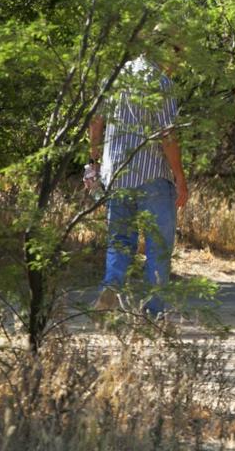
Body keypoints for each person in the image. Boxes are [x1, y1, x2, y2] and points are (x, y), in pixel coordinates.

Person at [87, 53, 188, 318]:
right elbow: (167, 134)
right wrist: (179, 175)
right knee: (158, 244)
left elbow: (96, 122)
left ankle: (111, 285)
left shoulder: (114, 76)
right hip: (153, 175)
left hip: (116, 173)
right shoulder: (160, 82)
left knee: (120, 240)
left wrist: (93, 162)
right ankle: (153, 309)